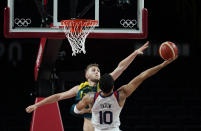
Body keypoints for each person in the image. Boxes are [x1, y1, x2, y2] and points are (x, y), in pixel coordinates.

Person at [25, 41, 149, 131]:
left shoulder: (105, 83)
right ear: (86, 75)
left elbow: (121, 67)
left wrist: (134, 53)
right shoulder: (79, 88)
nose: (97, 72)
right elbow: (58, 96)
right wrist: (37, 105)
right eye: (93, 70)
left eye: (98, 71)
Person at [74, 56, 178, 131]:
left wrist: (87, 110)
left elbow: (76, 110)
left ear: (99, 87)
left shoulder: (90, 97)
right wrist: (163, 64)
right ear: (113, 86)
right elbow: (143, 75)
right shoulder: (121, 95)